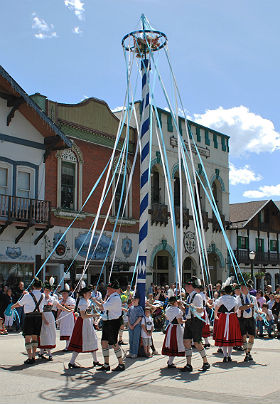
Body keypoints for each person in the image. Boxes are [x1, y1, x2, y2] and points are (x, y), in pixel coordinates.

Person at [92, 280, 125, 371]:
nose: (107, 289)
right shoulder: (111, 297)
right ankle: (106, 364)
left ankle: (121, 364)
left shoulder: (115, 298)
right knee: (104, 342)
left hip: (113, 322)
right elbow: (105, 306)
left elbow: (103, 307)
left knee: (114, 343)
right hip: (107, 322)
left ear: (114, 289)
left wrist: (94, 301)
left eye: (109, 288)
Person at [11, 278, 44, 365]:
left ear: (33, 286)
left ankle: (29, 357)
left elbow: (19, 304)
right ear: (40, 287)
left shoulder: (28, 295)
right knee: (35, 337)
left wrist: (12, 306)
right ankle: (33, 355)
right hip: (38, 317)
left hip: (29, 317)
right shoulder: (43, 296)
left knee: (27, 337)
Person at [181, 278, 210, 372]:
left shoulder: (197, 296)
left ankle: (206, 362)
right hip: (189, 320)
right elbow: (188, 310)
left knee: (197, 342)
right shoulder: (189, 296)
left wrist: (193, 307)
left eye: (187, 286)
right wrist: (181, 307)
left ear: (191, 287)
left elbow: (201, 309)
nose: (185, 287)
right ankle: (188, 364)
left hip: (196, 321)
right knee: (186, 341)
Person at [68, 287, 100, 368]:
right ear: (84, 294)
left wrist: (95, 317)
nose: (90, 294)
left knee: (93, 339)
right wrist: (94, 315)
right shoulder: (82, 302)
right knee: (80, 341)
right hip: (82, 323)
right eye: (89, 293)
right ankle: (71, 362)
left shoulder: (88, 301)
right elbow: (83, 316)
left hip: (88, 322)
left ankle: (95, 360)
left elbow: (90, 311)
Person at [39, 283, 72, 361]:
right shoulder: (41, 298)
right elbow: (40, 311)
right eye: (45, 290)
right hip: (43, 316)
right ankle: (42, 351)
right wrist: (44, 319)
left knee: (50, 333)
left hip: (50, 316)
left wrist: (67, 310)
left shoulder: (52, 298)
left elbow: (58, 305)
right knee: (43, 333)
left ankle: (48, 352)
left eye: (48, 290)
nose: (46, 292)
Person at [214, 285, 242, 362]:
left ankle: (225, 355)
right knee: (231, 335)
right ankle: (229, 356)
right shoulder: (234, 299)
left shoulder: (221, 298)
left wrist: (215, 315)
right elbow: (236, 309)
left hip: (223, 317)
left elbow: (216, 306)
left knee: (223, 335)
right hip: (232, 317)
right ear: (231, 292)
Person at [236, 283, 259, 362]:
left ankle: (248, 351)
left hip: (251, 318)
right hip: (242, 319)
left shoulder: (253, 298)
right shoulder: (238, 298)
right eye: (241, 287)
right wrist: (249, 306)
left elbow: (256, 308)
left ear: (247, 288)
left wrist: (261, 313)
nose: (241, 289)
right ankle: (246, 353)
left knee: (252, 336)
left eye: (243, 287)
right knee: (243, 336)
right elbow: (240, 307)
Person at [162, 296, 185, 368]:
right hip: (176, 328)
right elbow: (180, 321)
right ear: (175, 302)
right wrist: (187, 321)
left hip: (170, 327)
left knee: (170, 343)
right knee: (175, 344)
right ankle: (170, 362)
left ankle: (170, 361)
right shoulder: (177, 311)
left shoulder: (168, 309)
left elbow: (167, 318)